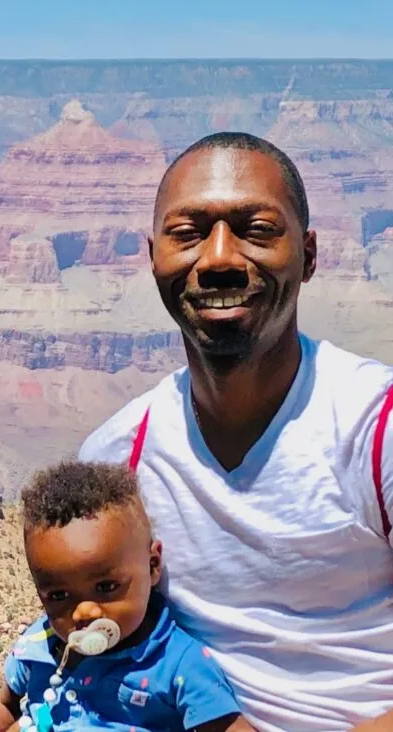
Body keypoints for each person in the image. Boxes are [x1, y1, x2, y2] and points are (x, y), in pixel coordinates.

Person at [78, 132, 393, 731]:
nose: (219, 258)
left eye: (256, 229)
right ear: (153, 259)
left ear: (310, 254)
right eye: (188, 233)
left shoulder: (376, 429)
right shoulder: (119, 458)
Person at [0, 461, 250, 732]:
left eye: (106, 587)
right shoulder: (38, 647)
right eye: (59, 595)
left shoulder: (177, 665)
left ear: (153, 565)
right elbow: (6, 703)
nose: (84, 612)